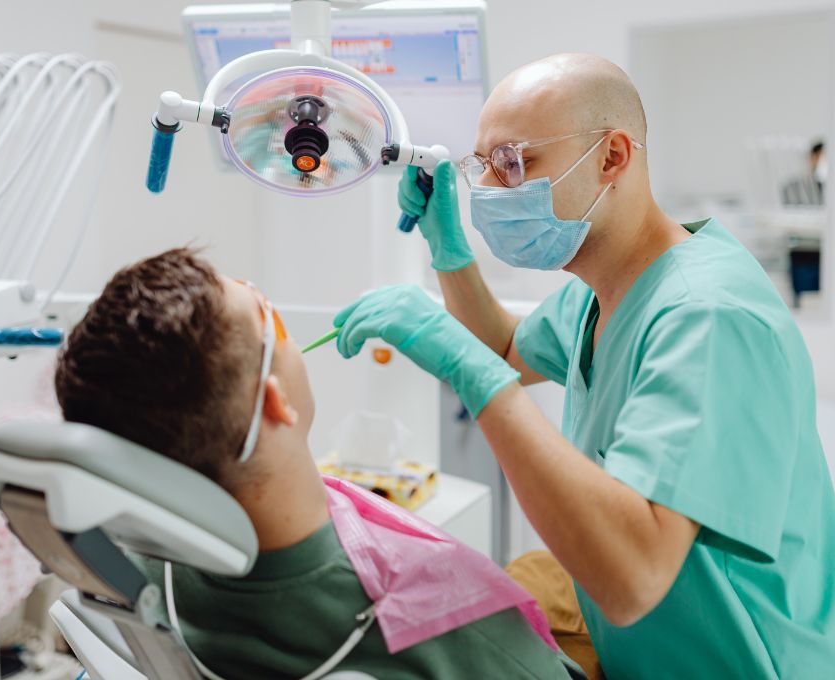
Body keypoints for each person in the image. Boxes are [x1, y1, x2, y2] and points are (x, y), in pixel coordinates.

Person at [332, 53, 835, 677]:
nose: (489, 190)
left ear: (612, 156)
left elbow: (633, 575)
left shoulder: (707, 317)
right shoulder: (608, 287)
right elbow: (508, 347)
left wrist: (471, 375)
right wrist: (448, 249)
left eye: (515, 162)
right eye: (483, 165)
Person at [53, 248, 582, 679]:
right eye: (270, 316)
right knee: (555, 573)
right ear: (275, 400)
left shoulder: (130, 575)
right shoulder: (455, 629)